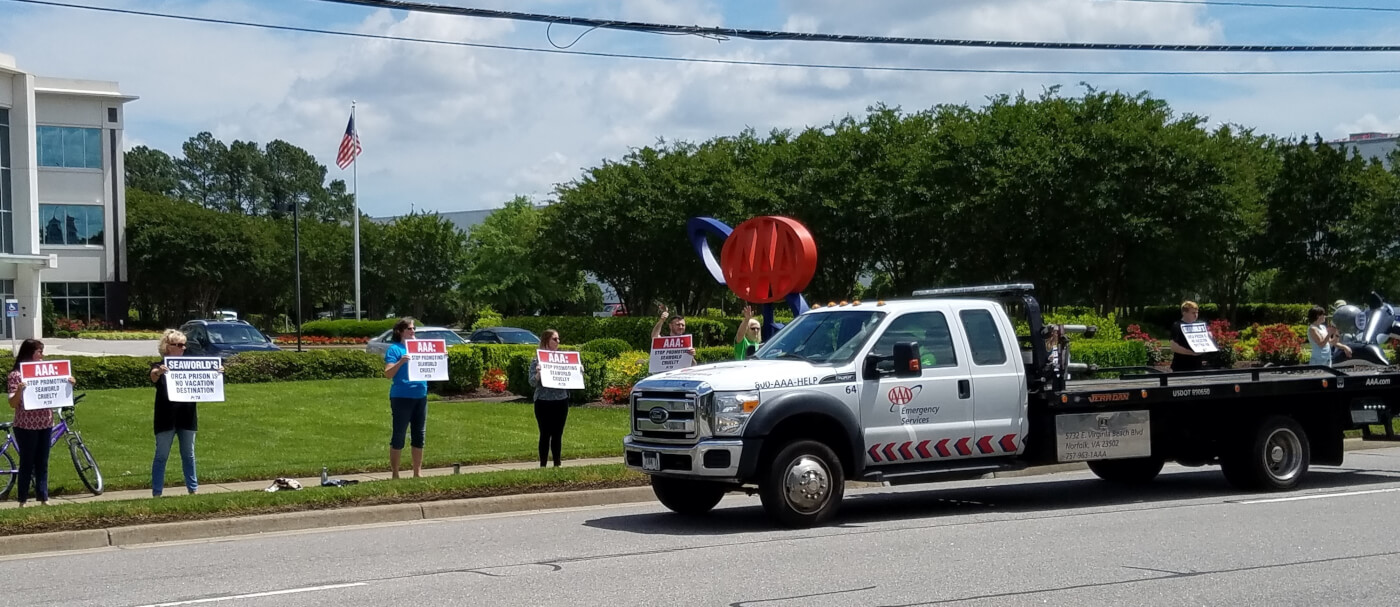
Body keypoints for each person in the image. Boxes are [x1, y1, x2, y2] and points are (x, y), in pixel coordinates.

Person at [7, 339, 72, 506]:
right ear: (30, 353)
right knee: (27, 463)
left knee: (42, 462)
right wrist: (20, 390)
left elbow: (57, 388)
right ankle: (22, 500)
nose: (42, 355)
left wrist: (69, 382)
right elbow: (12, 403)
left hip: (45, 423)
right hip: (25, 425)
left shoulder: (48, 372)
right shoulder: (16, 375)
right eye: (39, 352)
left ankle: (43, 498)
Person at [150, 329, 202, 496]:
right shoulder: (159, 366)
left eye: (184, 345)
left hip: (187, 417)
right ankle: (157, 492)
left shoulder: (191, 366)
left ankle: (193, 490)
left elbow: (207, 376)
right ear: (168, 347)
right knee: (161, 456)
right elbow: (153, 376)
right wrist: (159, 372)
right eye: (179, 345)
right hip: (166, 418)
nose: (183, 348)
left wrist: (217, 372)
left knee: (189, 455)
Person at [382, 317, 428, 479]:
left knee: (419, 434)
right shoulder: (394, 350)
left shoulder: (421, 348)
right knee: (399, 434)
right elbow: (388, 374)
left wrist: (440, 357)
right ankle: (395, 473)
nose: (412, 331)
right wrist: (401, 362)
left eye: (414, 329)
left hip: (420, 395)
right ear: (400, 331)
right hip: (401, 396)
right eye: (409, 328)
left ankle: (417, 472)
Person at [529, 329, 570, 468]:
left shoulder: (563, 360)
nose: (558, 342)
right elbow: (532, 383)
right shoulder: (536, 360)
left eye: (558, 339)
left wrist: (577, 371)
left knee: (558, 434)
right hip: (543, 402)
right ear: (546, 340)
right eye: (555, 339)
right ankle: (543, 465)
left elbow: (570, 379)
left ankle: (557, 464)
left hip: (561, 401)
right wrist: (538, 374)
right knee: (545, 434)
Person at [1168, 301, 1204, 372]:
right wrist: (1191, 353)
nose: (1196, 315)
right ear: (1184, 313)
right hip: (1181, 367)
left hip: (1197, 366)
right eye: (1193, 313)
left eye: (1197, 312)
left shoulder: (1199, 326)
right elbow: (1174, 347)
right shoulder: (1177, 326)